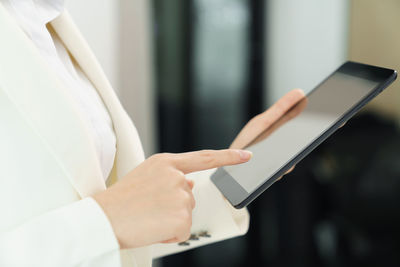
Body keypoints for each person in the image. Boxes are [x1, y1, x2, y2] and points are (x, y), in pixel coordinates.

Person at [0, 1, 304, 266]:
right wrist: (105, 221)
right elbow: (109, 219)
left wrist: (228, 182)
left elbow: (120, 222)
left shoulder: (45, 18)